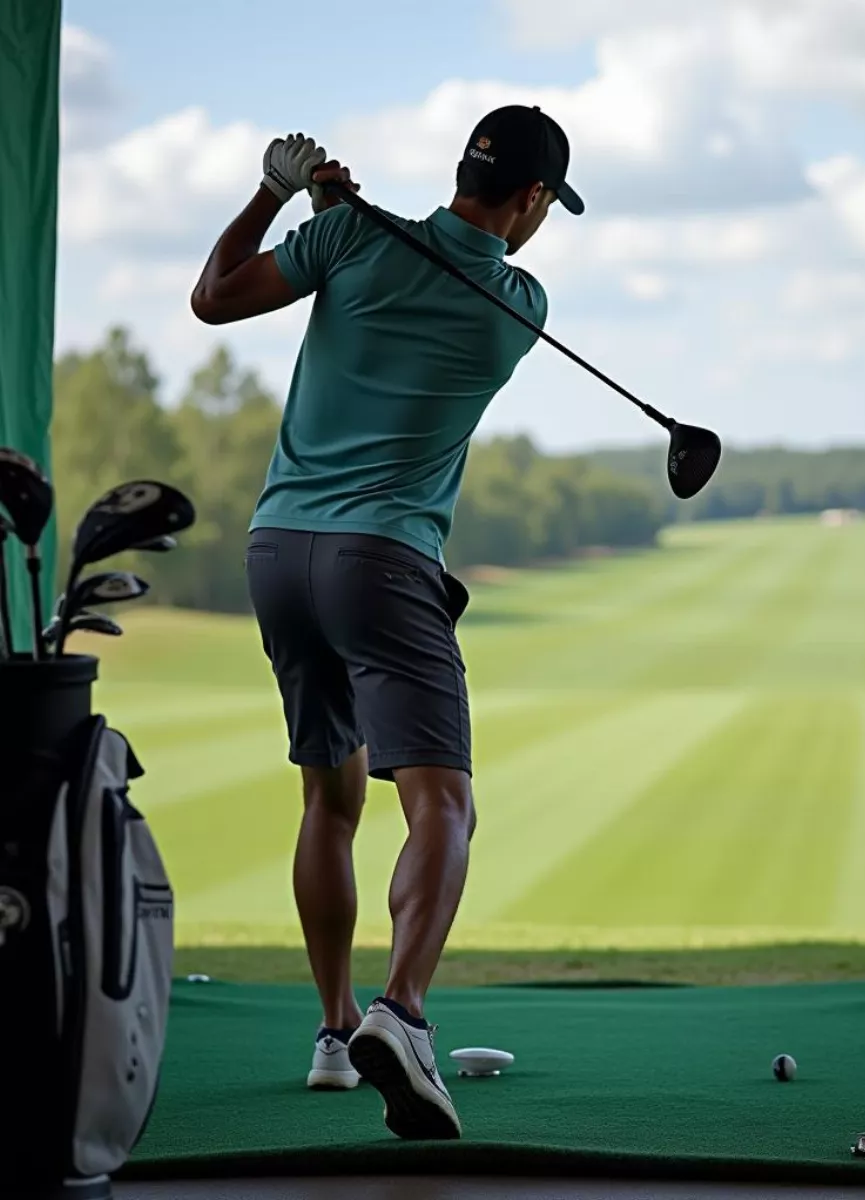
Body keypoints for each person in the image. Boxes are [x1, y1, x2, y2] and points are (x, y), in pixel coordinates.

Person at [189, 106, 584, 1139]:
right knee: (442, 803)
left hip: (278, 551)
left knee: (329, 801)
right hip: (384, 560)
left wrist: (284, 197)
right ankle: (400, 1014)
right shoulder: (519, 303)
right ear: (533, 200)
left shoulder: (352, 236)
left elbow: (214, 298)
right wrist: (340, 215)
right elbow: (449, 268)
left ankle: (331, 1036)